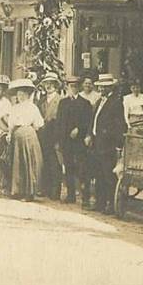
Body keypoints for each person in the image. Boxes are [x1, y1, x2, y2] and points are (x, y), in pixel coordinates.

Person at [88, 73, 126, 214]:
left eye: (104, 87)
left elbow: (119, 125)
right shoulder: (99, 101)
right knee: (98, 173)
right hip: (97, 142)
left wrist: (111, 138)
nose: (101, 89)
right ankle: (100, 202)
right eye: (100, 87)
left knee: (107, 175)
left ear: (110, 87)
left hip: (107, 144)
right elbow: (94, 119)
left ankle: (110, 203)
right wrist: (90, 134)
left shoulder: (116, 102)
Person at [5, 78, 44, 201]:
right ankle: (17, 190)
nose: (21, 97)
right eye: (19, 94)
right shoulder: (15, 108)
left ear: (28, 95)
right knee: (17, 162)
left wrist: (28, 129)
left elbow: (38, 124)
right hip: (17, 136)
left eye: (23, 94)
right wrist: (9, 134)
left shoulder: (33, 107)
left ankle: (29, 192)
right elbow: (11, 124)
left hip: (28, 135)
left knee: (29, 162)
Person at [58, 75, 93, 206]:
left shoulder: (85, 103)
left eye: (75, 86)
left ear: (79, 87)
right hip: (66, 141)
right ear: (67, 87)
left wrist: (79, 129)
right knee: (68, 168)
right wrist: (60, 140)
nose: (73, 88)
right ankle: (71, 195)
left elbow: (89, 122)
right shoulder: (63, 103)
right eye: (71, 86)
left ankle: (85, 197)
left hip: (79, 142)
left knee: (82, 169)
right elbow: (60, 123)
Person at [36, 72, 63, 200]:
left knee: (55, 163)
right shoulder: (41, 101)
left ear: (56, 85)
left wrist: (58, 138)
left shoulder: (60, 100)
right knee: (44, 161)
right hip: (42, 135)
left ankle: (55, 191)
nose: (49, 86)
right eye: (47, 83)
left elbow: (62, 121)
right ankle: (45, 188)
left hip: (55, 135)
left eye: (51, 84)